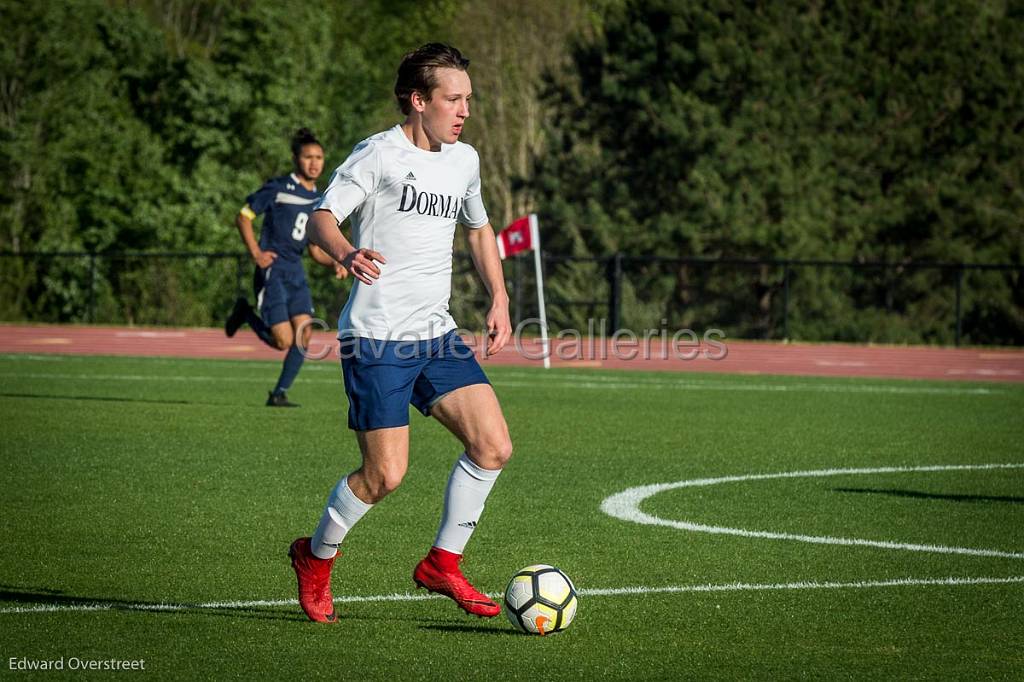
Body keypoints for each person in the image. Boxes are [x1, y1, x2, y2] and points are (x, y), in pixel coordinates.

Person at [288, 43, 514, 623]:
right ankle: (315, 558)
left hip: (434, 334)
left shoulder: (465, 160)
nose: (465, 110)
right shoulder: (377, 155)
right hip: (376, 339)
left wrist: (500, 297)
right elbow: (320, 217)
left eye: (468, 98)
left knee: (493, 446)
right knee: (384, 475)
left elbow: (480, 230)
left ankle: (443, 562)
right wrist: (346, 250)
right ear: (419, 101)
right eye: (453, 99)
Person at [225, 128, 347, 407]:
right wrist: (256, 252)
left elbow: (315, 249)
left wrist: (338, 260)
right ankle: (245, 312)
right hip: (273, 271)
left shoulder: (321, 199)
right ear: (296, 159)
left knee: (304, 335)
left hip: (295, 272)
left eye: (319, 157)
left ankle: (278, 393)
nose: (314, 162)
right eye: (308, 157)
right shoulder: (278, 188)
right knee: (282, 341)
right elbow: (244, 217)